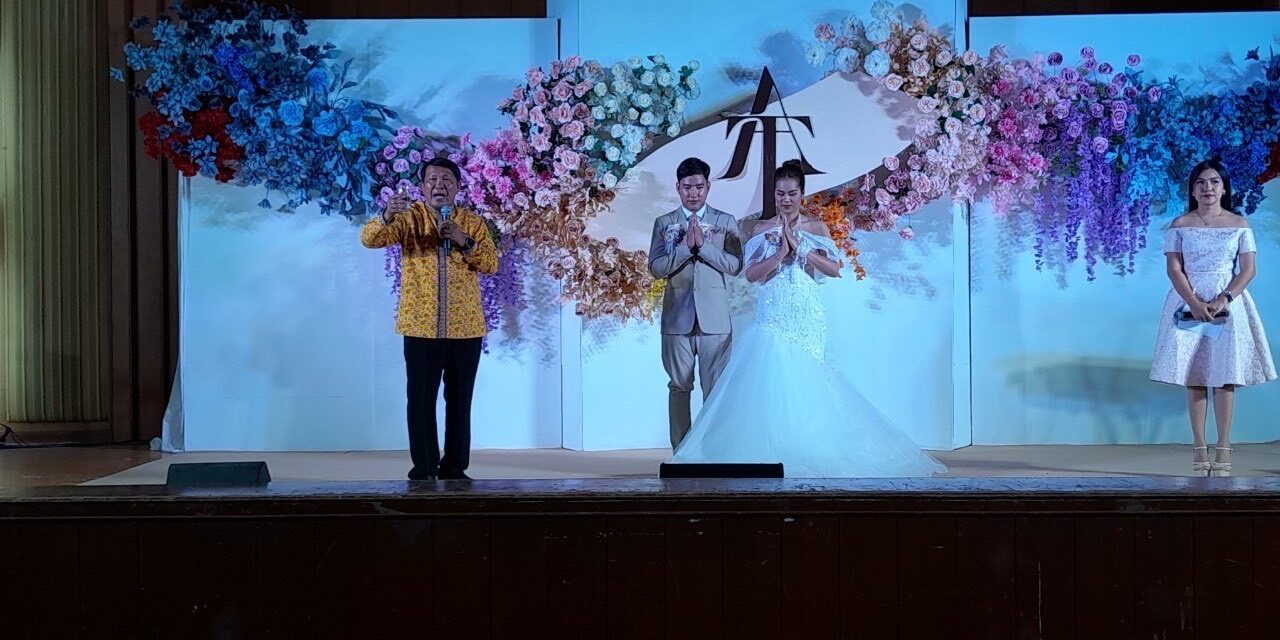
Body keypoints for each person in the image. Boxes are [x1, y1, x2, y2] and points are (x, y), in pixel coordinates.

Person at [671, 160, 946, 477]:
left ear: (802, 194)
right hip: (773, 312)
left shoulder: (816, 228)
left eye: (792, 193)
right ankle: (771, 447)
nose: (786, 200)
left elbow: (834, 269)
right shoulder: (761, 230)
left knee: (808, 380)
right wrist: (778, 255)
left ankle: (809, 442)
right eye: (780, 193)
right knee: (769, 377)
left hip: (806, 313)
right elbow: (752, 275)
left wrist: (800, 249)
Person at [361, 157, 499, 481]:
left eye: (447, 180)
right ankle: (423, 469)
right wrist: (386, 215)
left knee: (459, 401)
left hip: (465, 328)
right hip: (420, 327)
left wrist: (463, 240)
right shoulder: (408, 219)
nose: (439, 186)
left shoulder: (472, 222)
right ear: (422, 187)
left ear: (458, 187)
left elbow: (491, 264)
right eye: (432, 180)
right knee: (421, 401)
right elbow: (370, 239)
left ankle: (454, 468)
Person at [1150, 159, 1276, 477]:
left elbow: (1248, 270)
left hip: (1227, 304)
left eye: (1214, 181)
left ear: (1224, 188)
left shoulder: (1239, 224)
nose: (1208, 188)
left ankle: (1223, 446)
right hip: (1188, 302)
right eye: (1201, 182)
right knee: (1195, 375)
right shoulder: (1180, 224)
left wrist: (1224, 299)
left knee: (1224, 376)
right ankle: (1198, 447)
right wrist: (1193, 301)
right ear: (1192, 190)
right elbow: (1174, 269)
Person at [648, 157, 744, 448]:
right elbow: (656, 267)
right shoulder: (664, 223)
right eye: (687, 187)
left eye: (699, 187)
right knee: (679, 386)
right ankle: (681, 454)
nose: (693, 193)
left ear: (708, 186)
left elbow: (735, 265)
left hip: (715, 320)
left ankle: (712, 451)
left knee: (714, 390)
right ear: (678, 187)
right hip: (677, 318)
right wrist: (684, 249)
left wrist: (703, 247)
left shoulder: (725, 221)